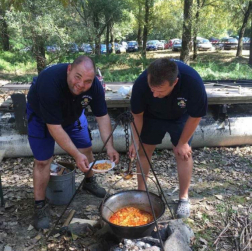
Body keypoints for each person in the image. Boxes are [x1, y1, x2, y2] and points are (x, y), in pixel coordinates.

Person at [27, 56, 119, 230]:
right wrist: (75, 155)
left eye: (87, 81)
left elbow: (102, 116)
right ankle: (39, 205)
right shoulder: (49, 81)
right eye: (78, 77)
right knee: (42, 161)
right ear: (69, 69)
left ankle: (89, 181)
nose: (81, 85)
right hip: (41, 117)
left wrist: (110, 146)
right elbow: (54, 127)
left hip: (73, 115)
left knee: (86, 148)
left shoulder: (95, 87)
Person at [129, 58, 207, 218]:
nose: (155, 94)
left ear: (175, 82)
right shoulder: (142, 83)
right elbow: (137, 115)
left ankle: (183, 198)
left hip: (180, 117)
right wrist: (135, 140)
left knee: (183, 154)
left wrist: (183, 142)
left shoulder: (192, 82)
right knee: (143, 151)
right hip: (151, 116)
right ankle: (141, 192)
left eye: (160, 90)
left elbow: (196, 115)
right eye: (152, 89)